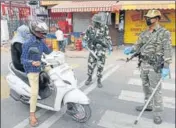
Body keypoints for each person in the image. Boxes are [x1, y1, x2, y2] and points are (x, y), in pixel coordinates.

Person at [124, 9, 172, 124]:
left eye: (150, 18)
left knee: (156, 91)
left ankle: (158, 113)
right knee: (145, 87)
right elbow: (137, 45)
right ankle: (148, 105)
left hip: (155, 66)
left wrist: (166, 66)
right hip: (144, 64)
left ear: (157, 19)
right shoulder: (144, 33)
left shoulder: (164, 33)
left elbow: (168, 50)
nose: (147, 20)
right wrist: (131, 49)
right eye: (147, 18)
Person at [21, 19, 52, 127]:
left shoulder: (41, 42)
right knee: (34, 92)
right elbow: (23, 60)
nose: (43, 34)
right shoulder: (27, 43)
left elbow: (48, 52)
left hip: (41, 66)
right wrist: (32, 62)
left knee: (55, 73)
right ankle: (32, 115)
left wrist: (54, 50)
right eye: (40, 32)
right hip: (32, 70)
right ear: (34, 31)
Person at [83, 12, 113, 88]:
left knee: (100, 66)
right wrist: (84, 42)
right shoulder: (90, 28)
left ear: (98, 22)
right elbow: (85, 37)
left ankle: (99, 80)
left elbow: (107, 37)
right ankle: (89, 78)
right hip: (92, 50)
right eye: (93, 21)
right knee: (90, 65)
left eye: (94, 22)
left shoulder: (104, 27)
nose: (93, 22)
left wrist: (110, 46)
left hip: (101, 50)